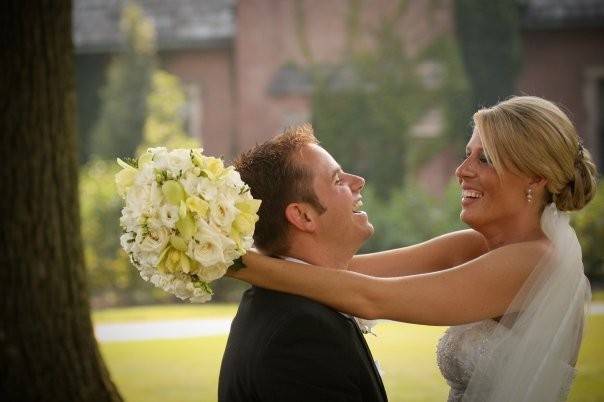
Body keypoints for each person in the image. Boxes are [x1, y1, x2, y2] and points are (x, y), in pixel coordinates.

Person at [228, 96, 598, 401]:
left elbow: (370, 298)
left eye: (485, 159)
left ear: (536, 176)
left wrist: (228, 262)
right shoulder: (471, 247)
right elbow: (343, 271)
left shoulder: (535, 263)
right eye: (468, 153)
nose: (461, 170)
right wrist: (220, 236)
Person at [218, 124, 388, 402]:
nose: (358, 181)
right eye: (337, 180)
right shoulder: (300, 332)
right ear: (303, 216)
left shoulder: (284, 303)